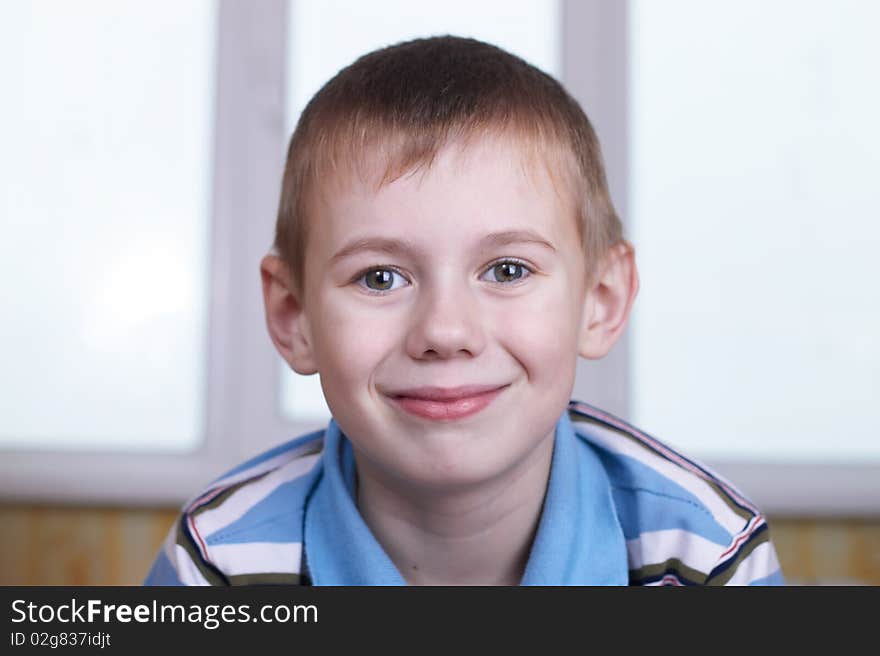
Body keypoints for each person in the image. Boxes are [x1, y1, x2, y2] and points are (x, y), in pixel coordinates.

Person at [145, 35, 784, 586]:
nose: (445, 332)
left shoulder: (705, 557)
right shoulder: (220, 564)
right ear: (293, 317)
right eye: (380, 277)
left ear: (601, 301)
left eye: (507, 271)